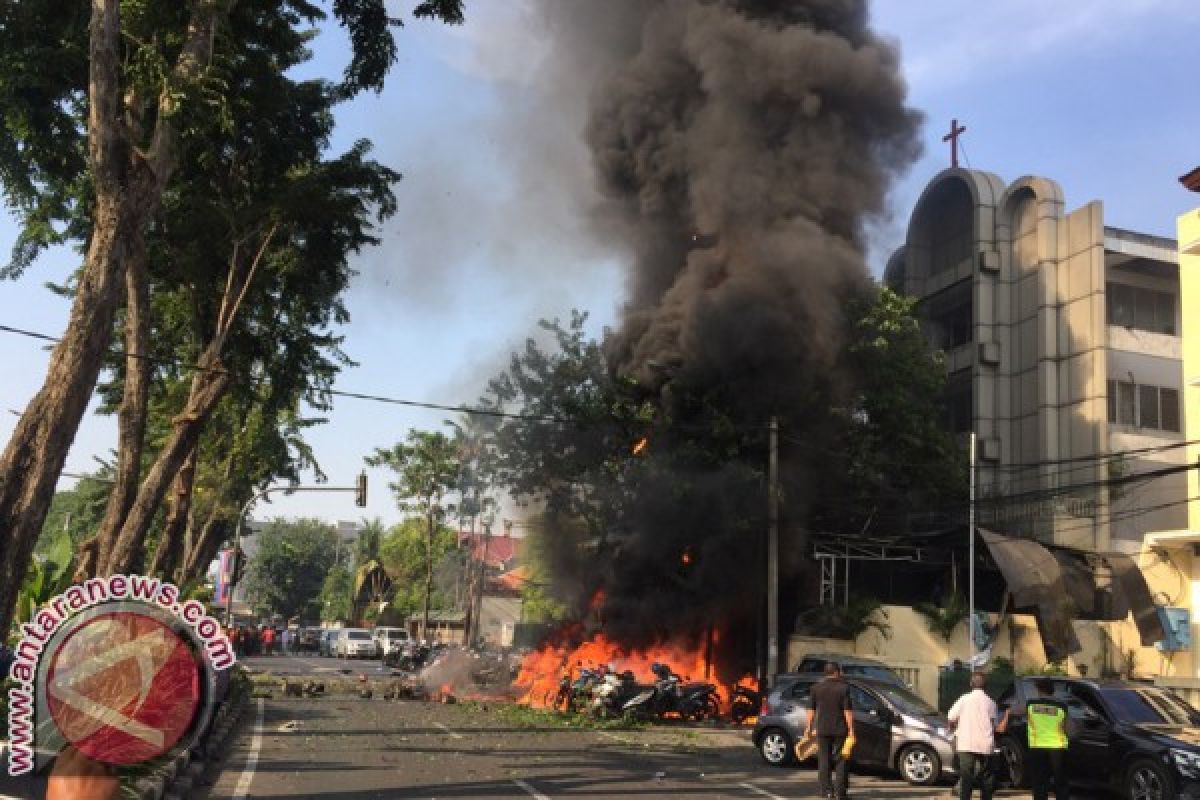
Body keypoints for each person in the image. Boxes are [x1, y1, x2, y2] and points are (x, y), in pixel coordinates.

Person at [947, 671, 1009, 800]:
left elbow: (951, 717)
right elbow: (994, 725)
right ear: (986, 686)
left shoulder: (964, 699)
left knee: (966, 777)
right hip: (985, 745)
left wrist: (953, 727)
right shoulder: (991, 703)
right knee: (986, 777)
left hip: (966, 743)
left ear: (971, 683)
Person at [804, 662, 855, 800]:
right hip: (840, 729)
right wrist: (851, 729)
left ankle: (826, 791)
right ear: (837, 672)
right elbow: (847, 711)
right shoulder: (844, 689)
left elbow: (810, 709)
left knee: (824, 760)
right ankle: (840, 793)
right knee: (841, 760)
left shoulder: (816, 688)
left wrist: (808, 727)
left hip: (822, 729)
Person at [1026, 678, 1070, 800]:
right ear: (1053, 690)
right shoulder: (1061, 706)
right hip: (1057, 748)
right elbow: (1067, 728)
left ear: (1039, 690)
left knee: (1039, 783)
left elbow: (1016, 711)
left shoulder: (1031, 704)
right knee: (1060, 783)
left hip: (1037, 747)